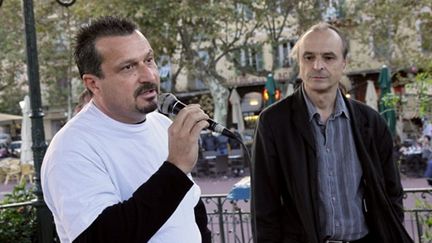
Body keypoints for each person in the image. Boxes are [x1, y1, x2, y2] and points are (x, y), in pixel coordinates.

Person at [41, 16, 211, 243]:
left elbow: (191, 208)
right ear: (93, 84)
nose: (148, 75)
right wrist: (176, 168)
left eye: (149, 60)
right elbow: (100, 236)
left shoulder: (163, 125)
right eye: (128, 67)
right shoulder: (71, 148)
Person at [252, 22, 413, 243]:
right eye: (309, 57)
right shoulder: (273, 122)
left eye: (328, 57)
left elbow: (391, 191)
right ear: (299, 63)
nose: (317, 65)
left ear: (343, 63)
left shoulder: (370, 123)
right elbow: (264, 204)